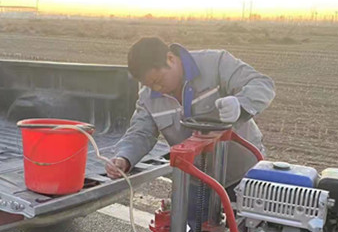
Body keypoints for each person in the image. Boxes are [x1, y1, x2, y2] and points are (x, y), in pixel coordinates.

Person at [105, 37, 275, 198]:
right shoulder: (148, 97)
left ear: (170, 58)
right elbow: (140, 133)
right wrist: (124, 157)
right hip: (196, 182)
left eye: (158, 80)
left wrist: (240, 105)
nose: (157, 88)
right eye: (150, 85)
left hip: (244, 175)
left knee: (246, 227)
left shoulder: (215, 63)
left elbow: (261, 84)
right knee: (194, 228)